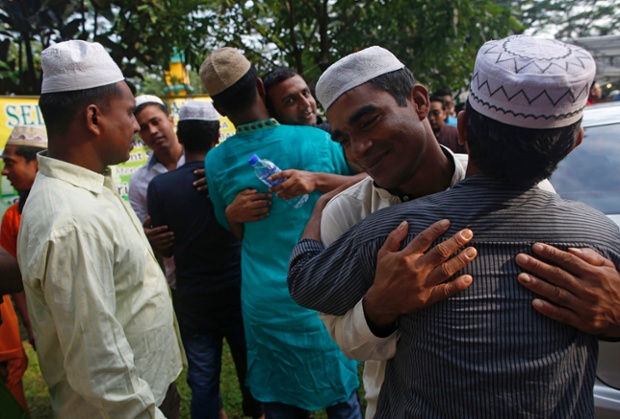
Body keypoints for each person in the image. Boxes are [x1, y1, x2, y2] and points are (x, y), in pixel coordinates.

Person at [289, 35, 620, 417]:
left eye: (369, 122)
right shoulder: (346, 214)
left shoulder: (538, 200)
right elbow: (347, 341)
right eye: (345, 139)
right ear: (573, 142)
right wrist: (380, 307)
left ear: (419, 102)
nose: (359, 149)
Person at [17, 40, 184, 418]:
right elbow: (99, 368)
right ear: (94, 119)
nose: (136, 128)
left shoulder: (90, 187)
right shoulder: (72, 221)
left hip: (150, 387)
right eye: (129, 114)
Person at [200, 47, 361, 418]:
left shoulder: (215, 161)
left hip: (265, 303)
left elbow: (235, 232)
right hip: (324, 291)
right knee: (342, 404)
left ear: (220, 110)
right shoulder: (318, 142)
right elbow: (362, 192)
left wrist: (230, 211)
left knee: (280, 406)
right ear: (260, 87)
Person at [147, 101, 262, 419]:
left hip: (194, 299)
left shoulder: (160, 186)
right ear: (216, 136)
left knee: (203, 378)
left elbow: (166, 248)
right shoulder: (229, 176)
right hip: (239, 291)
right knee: (252, 368)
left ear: (180, 136)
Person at [0, 125, 47, 413]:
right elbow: (14, 280)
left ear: (37, 163)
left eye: (9, 163)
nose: (5, 171)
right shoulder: (11, 217)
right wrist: (31, 324)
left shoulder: (65, 207)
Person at [129, 94, 184, 292]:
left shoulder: (205, 161)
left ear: (170, 120)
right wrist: (148, 238)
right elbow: (141, 234)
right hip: (178, 281)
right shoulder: (138, 182)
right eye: (144, 128)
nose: (152, 131)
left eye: (156, 122)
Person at [263, 67, 331, 132]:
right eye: (290, 101)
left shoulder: (333, 134)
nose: (306, 104)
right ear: (272, 113)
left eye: (305, 93)